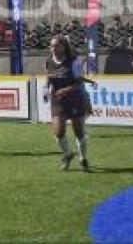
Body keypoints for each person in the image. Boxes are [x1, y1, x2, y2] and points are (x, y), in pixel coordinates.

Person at [45, 35, 97, 172]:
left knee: (79, 132)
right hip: (58, 100)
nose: (53, 48)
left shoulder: (74, 61)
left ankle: (83, 158)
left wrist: (65, 90)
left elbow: (79, 82)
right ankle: (68, 154)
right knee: (58, 132)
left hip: (74, 99)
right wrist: (46, 88)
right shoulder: (49, 61)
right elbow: (49, 76)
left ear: (63, 47)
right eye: (51, 46)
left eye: (56, 46)